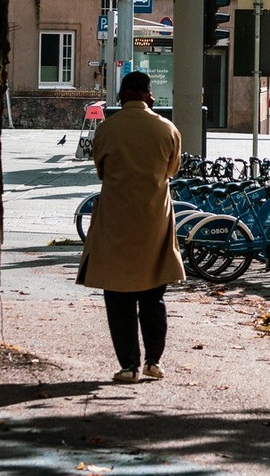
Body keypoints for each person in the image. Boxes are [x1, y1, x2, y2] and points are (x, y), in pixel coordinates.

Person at [76, 69, 185, 384]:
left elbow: (101, 170)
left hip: (115, 223)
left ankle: (128, 365)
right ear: (150, 96)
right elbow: (171, 170)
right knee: (154, 295)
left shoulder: (107, 129)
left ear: (122, 96)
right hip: (154, 221)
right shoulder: (167, 129)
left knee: (118, 297)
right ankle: (154, 360)